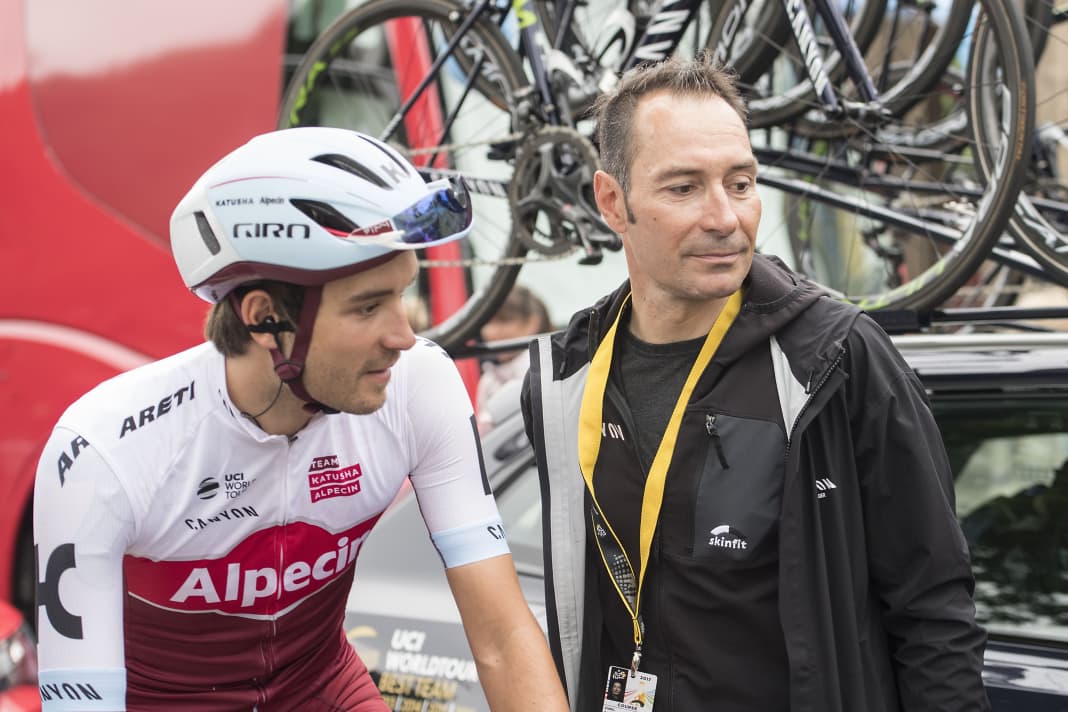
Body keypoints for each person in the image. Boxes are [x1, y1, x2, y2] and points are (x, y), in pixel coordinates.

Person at [34, 127, 569, 712]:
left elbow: (503, 638)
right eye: (368, 306)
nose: (404, 336)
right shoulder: (104, 449)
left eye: (402, 294)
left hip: (321, 692)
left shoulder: (420, 383)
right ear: (265, 318)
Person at [521, 56, 990, 711]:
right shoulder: (565, 377)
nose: (725, 217)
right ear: (612, 202)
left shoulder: (835, 357)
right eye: (684, 188)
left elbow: (934, 609)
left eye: (740, 184)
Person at [475, 284, 551, 433]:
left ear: (532, 323)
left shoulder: (545, 372)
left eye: (503, 321)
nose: (492, 332)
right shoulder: (489, 380)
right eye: (488, 322)